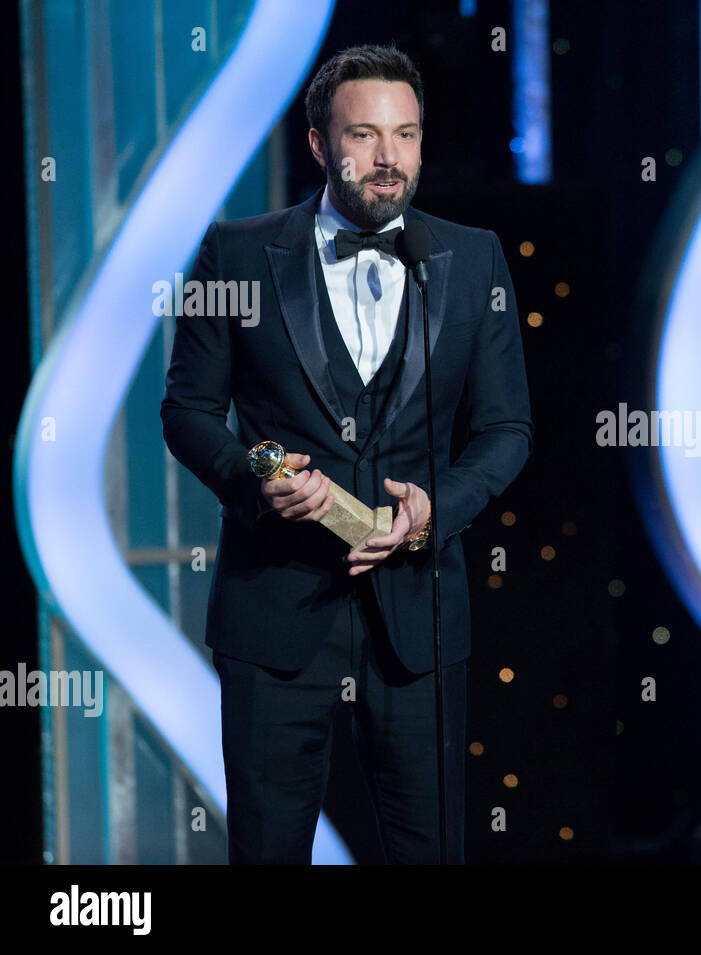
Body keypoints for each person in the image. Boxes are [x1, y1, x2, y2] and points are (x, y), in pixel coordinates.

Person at [160, 45, 532, 864]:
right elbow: (188, 411)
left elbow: (507, 431)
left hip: (421, 611)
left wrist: (437, 507)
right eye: (363, 135)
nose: (388, 157)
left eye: (405, 135)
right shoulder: (235, 252)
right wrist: (260, 476)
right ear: (321, 144)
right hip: (275, 606)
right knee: (267, 850)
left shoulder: (474, 260)